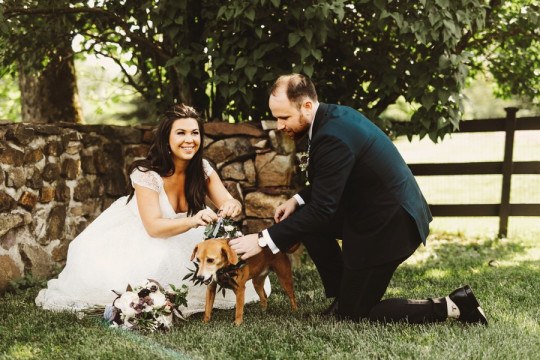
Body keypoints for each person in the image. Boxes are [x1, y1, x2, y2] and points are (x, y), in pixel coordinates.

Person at [230, 74, 487, 325]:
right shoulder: (330, 118)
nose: (279, 125)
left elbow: (323, 209)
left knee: (358, 316)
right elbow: (332, 181)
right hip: (368, 212)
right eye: (276, 117)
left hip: (390, 225)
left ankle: (452, 305)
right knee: (302, 215)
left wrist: (263, 240)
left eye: (284, 117)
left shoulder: (332, 135)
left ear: (307, 105)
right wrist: (297, 199)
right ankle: (345, 295)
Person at [36, 104, 270, 315]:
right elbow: (154, 228)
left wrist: (232, 205)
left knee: (225, 265)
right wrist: (194, 220)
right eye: (181, 133)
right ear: (166, 139)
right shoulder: (147, 174)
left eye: (195, 133)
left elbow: (231, 203)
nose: (190, 140)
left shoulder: (203, 168)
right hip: (141, 234)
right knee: (149, 271)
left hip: (185, 230)